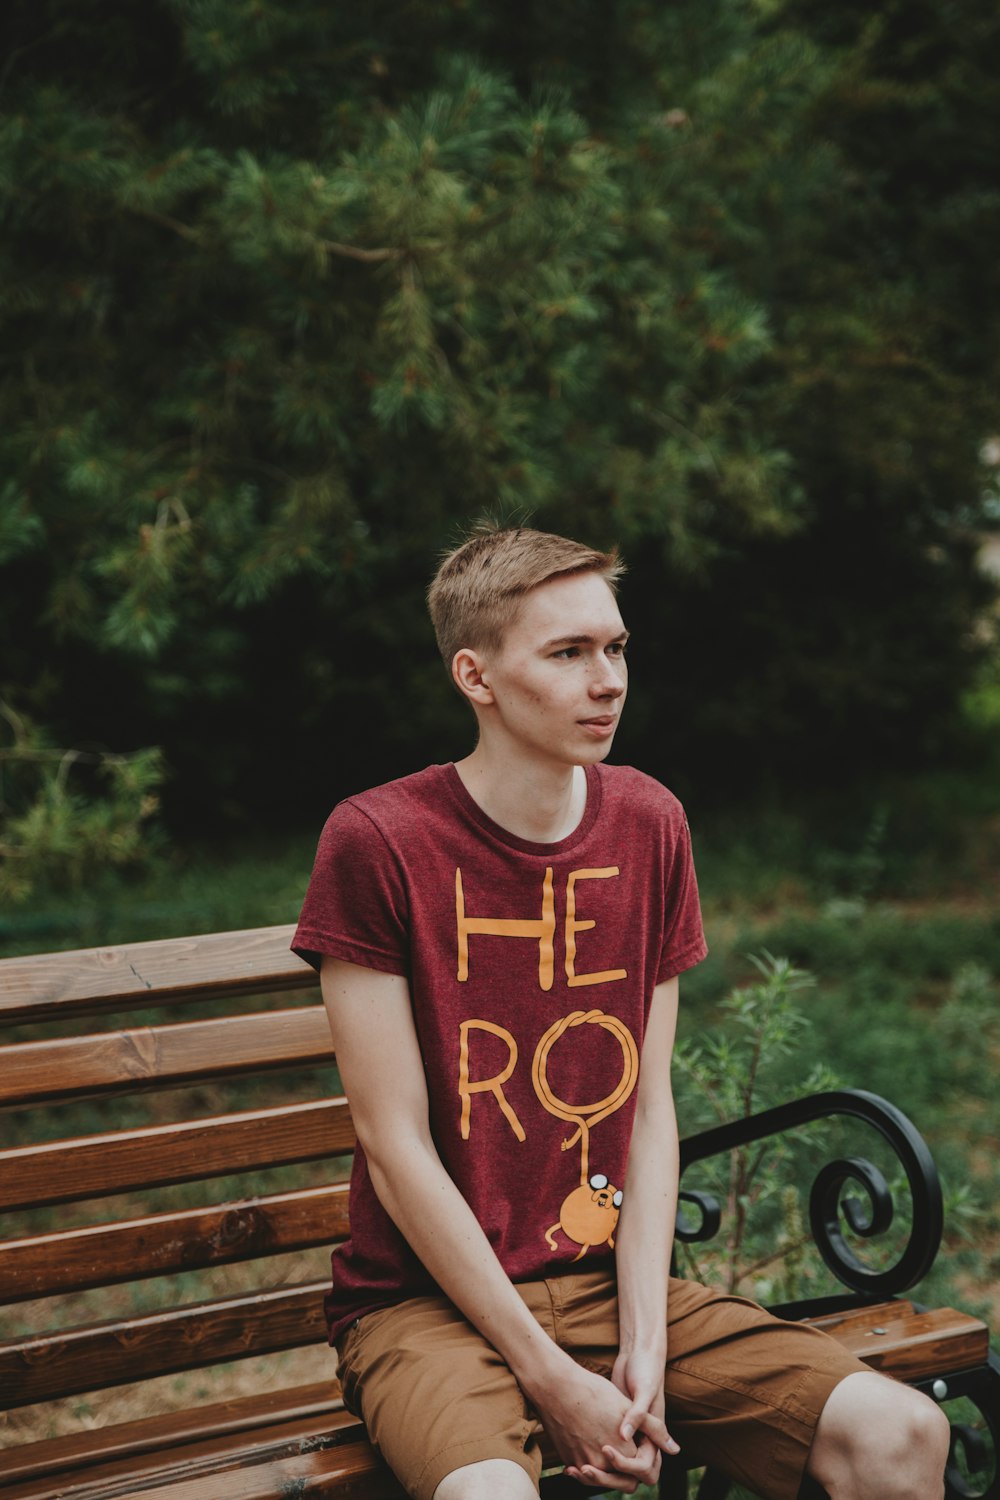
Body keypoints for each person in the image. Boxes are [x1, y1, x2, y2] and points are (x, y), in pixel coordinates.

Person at [292, 525, 949, 1500]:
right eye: (567, 653)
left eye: (616, 647)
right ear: (475, 675)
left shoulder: (648, 824)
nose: (607, 680)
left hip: (605, 1280)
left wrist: (643, 1338)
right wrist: (551, 1378)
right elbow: (393, 1146)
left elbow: (644, 1110)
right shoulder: (382, 842)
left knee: (900, 1433)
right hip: (421, 1308)